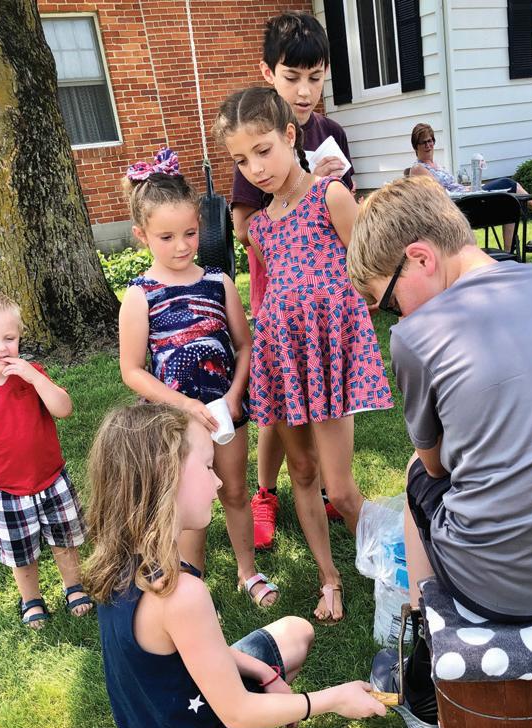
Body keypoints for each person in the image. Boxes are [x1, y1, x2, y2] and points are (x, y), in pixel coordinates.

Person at [347, 176, 532, 728]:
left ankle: (427, 659)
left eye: (387, 303)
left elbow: (435, 467)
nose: (396, 317)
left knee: (414, 475)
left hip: (497, 583)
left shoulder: (418, 335)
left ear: (420, 258)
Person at [84, 402, 386, 728]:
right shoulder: (180, 594)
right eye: (208, 468)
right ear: (166, 477)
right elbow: (237, 713)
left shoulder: (123, 561)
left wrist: (263, 672)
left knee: (296, 632)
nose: (219, 481)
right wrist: (333, 699)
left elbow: (185, 656)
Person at [215, 87, 393, 624]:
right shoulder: (259, 227)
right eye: (241, 160)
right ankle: (329, 577)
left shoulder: (331, 196)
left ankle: (393, 568)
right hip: (282, 358)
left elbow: (370, 270)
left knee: (340, 486)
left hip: (327, 353)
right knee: (302, 470)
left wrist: (348, 315)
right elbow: (275, 287)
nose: (255, 168)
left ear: (290, 135)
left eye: (263, 150)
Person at [118, 149, 277, 608]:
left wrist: (235, 394)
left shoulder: (219, 282)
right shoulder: (139, 295)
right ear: (142, 235)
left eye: (189, 233)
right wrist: (184, 405)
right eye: (166, 237)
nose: (182, 246)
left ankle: (247, 570)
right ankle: (193, 581)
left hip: (225, 412)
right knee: (188, 503)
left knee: (234, 491)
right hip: (173, 421)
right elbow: (132, 370)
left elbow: (244, 345)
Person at [232, 12, 356, 550]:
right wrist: (286, 212)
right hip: (278, 290)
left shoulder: (331, 133)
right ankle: (266, 491)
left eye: (315, 77)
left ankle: (329, 487)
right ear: (269, 73)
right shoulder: (255, 136)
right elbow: (243, 224)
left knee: (323, 392)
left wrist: (324, 191)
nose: (304, 91)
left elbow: (347, 211)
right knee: (278, 405)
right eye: (291, 77)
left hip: (325, 292)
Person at [0, 290, 91, 628]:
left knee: (65, 539)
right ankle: (31, 599)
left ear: (20, 338)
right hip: (7, 490)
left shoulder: (33, 375)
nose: (1, 348)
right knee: (21, 552)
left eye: (9, 338)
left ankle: (74, 587)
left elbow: (64, 409)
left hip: (51, 478)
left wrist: (34, 377)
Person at [409, 123, 532, 250]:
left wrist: (470, 188)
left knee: (509, 202)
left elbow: (453, 187)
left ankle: (509, 253)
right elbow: (439, 192)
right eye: (424, 142)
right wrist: (466, 191)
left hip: (466, 197)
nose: (428, 145)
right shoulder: (418, 169)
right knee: (508, 184)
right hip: (459, 208)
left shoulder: (437, 165)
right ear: (416, 146)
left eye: (430, 141)